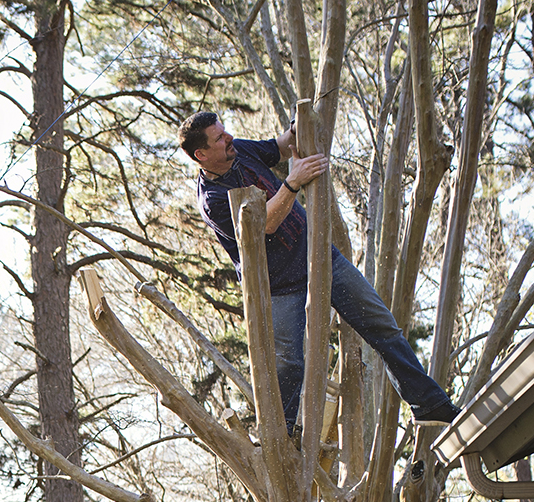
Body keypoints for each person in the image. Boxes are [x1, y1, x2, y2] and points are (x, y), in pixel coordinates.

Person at [180, 110, 460, 433]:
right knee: (289, 365)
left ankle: (428, 403)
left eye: (224, 131)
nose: (228, 138)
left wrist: (298, 128)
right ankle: (283, 436)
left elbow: (282, 146)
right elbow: (265, 223)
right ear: (201, 155)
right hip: (279, 286)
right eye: (219, 138)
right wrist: (292, 182)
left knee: (382, 326)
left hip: (320, 258)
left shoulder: (239, 150)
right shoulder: (213, 199)